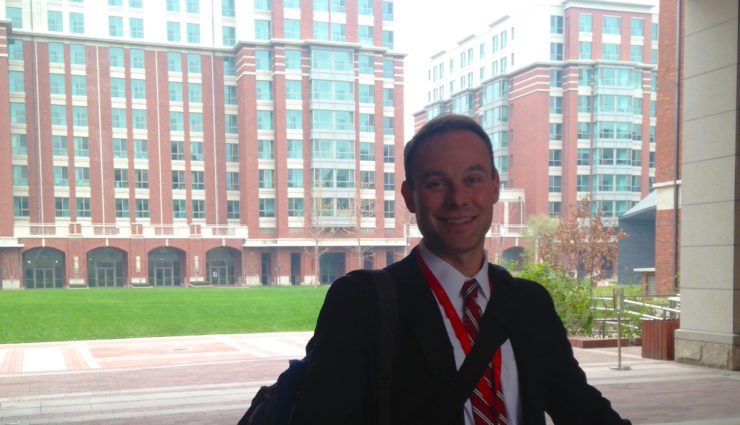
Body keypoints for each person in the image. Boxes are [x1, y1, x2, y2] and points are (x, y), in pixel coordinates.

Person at [290, 114, 630, 425]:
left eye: (473, 179)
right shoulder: (362, 305)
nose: (458, 199)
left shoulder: (530, 304)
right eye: (437, 183)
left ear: (495, 186)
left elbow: (583, 410)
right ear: (410, 197)